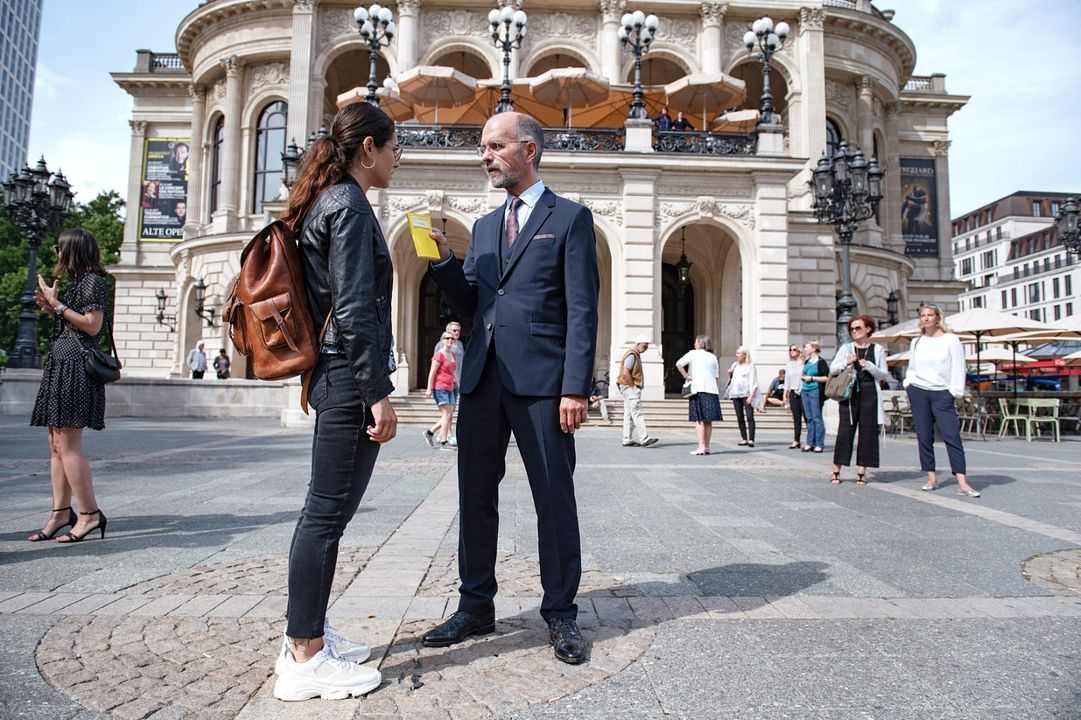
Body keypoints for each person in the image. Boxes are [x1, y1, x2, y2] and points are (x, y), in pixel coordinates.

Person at [423, 111, 599, 665]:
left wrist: (576, 388)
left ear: (528, 149)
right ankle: (476, 606)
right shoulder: (482, 228)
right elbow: (473, 303)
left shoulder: (569, 218)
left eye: (495, 146)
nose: (485, 156)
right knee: (475, 497)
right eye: (483, 147)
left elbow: (582, 309)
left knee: (553, 497)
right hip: (480, 380)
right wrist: (446, 264)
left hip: (545, 385)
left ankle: (562, 615)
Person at [270, 102, 400, 701]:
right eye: (393, 147)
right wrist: (378, 394)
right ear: (368, 148)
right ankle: (304, 657)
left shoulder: (333, 201)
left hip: (339, 374)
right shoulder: (347, 205)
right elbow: (351, 310)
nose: (398, 158)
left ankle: (311, 634)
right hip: (348, 378)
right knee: (324, 515)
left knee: (331, 513)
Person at [27, 228, 110, 545]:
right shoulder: (80, 283)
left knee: (68, 443)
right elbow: (74, 323)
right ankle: (61, 512)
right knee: (55, 442)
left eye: (58, 248)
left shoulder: (92, 282)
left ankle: (89, 514)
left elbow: (92, 325)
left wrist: (58, 306)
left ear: (72, 250)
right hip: (62, 366)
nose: (56, 254)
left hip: (76, 369)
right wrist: (53, 308)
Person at [903, 304, 980, 497]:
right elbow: (912, 367)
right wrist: (908, 383)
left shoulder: (950, 339)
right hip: (918, 391)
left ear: (938, 318)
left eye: (930, 315)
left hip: (942, 393)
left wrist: (954, 391)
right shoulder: (917, 342)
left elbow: (958, 366)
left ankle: (962, 481)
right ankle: (931, 477)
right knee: (924, 436)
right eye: (923, 315)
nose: (927, 318)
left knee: (952, 436)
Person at [829, 316, 891, 485]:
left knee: (868, 432)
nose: (854, 331)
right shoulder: (846, 348)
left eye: (858, 328)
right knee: (845, 431)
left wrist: (870, 366)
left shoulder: (877, 349)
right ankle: (836, 470)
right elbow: (832, 368)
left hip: (869, 392)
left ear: (868, 329)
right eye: (852, 329)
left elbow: (884, 375)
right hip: (849, 394)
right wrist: (846, 362)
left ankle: (862, 471)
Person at [675, 335, 722, 455]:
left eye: (695, 342)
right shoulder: (713, 357)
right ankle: (706, 446)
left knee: (699, 419)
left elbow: (679, 364)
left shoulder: (693, 353)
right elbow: (716, 377)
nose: (694, 344)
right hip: (712, 390)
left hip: (698, 389)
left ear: (700, 343)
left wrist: (686, 376)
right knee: (708, 421)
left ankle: (701, 446)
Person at [617, 335, 659, 447]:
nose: (646, 349)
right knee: (637, 412)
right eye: (645, 346)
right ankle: (644, 438)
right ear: (638, 344)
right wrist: (633, 387)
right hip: (629, 387)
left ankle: (627, 438)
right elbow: (626, 372)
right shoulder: (632, 355)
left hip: (625, 387)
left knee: (629, 414)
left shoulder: (633, 354)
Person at [424, 331, 458, 450]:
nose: (449, 340)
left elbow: (452, 372)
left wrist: (457, 383)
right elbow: (432, 372)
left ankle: (430, 432)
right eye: (447, 338)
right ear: (442, 340)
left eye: (452, 339)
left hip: (450, 387)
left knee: (448, 415)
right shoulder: (439, 355)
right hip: (439, 387)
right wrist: (429, 388)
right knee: (446, 414)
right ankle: (444, 442)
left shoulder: (452, 355)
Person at [725, 346, 759, 447]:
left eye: (739, 353)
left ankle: (751, 439)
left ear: (745, 355)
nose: (737, 355)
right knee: (740, 417)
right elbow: (733, 380)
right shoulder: (735, 365)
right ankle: (744, 438)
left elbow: (754, 382)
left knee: (750, 416)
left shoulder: (750, 366)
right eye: (737, 353)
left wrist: (751, 396)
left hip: (747, 394)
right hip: (736, 393)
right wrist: (730, 374)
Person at [800, 340, 829, 453]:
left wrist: (812, 378)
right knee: (809, 418)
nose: (805, 349)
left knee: (817, 417)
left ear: (813, 349)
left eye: (807, 347)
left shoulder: (821, 362)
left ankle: (819, 443)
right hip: (805, 390)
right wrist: (803, 377)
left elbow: (826, 377)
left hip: (815, 391)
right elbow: (804, 373)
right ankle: (809, 442)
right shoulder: (807, 361)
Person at [782, 344, 805, 449]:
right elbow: (787, 380)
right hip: (793, 392)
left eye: (794, 349)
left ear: (799, 351)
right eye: (790, 350)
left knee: (807, 417)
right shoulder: (789, 364)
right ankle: (796, 440)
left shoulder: (804, 363)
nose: (792, 351)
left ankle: (811, 440)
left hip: (804, 392)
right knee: (796, 418)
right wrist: (784, 394)